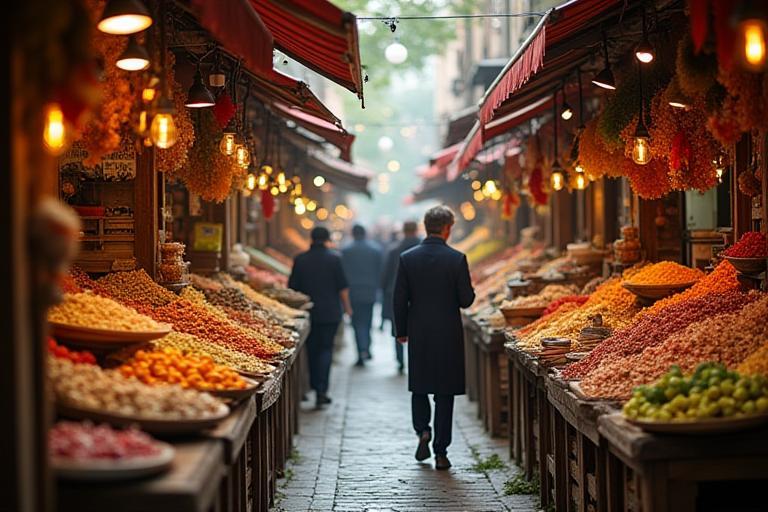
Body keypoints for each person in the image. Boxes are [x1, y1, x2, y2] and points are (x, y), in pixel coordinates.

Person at [393, 206, 475, 470]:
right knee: (444, 392)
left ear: (426, 226)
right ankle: (441, 451)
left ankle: (422, 431)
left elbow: (399, 299)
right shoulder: (457, 258)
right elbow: (466, 300)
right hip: (448, 333)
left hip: (419, 332)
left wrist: (402, 331)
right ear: (448, 228)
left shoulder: (407, 258)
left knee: (419, 385)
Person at [289, 226, 352, 408]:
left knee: (311, 350)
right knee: (326, 349)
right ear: (327, 239)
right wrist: (348, 308)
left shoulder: (300, 260)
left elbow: (292, 289)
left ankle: (314, 385)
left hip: (308, 313)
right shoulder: (335, 259)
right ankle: (321, 390)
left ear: (311, 238)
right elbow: (343, 287)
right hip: (331, 313)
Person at [380, 221, 421, 374]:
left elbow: (385, 276)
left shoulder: (393, 250)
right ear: (416, 230)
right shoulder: (423, 249)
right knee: (418, 329)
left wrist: (384, 291)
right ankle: (416, 360)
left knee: (398, 328)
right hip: (419, 296)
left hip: (395, 294)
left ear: (403, 231)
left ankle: (400, 360)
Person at [341, 224, 382, 367]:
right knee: (368, 321)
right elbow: (380, 271)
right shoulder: (375, 250)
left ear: (352, 234)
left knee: (357, 323)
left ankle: (361, 351)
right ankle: (366, 348)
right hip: (370, 291)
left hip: (353, 292)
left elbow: (342, 274)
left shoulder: (346, 251)